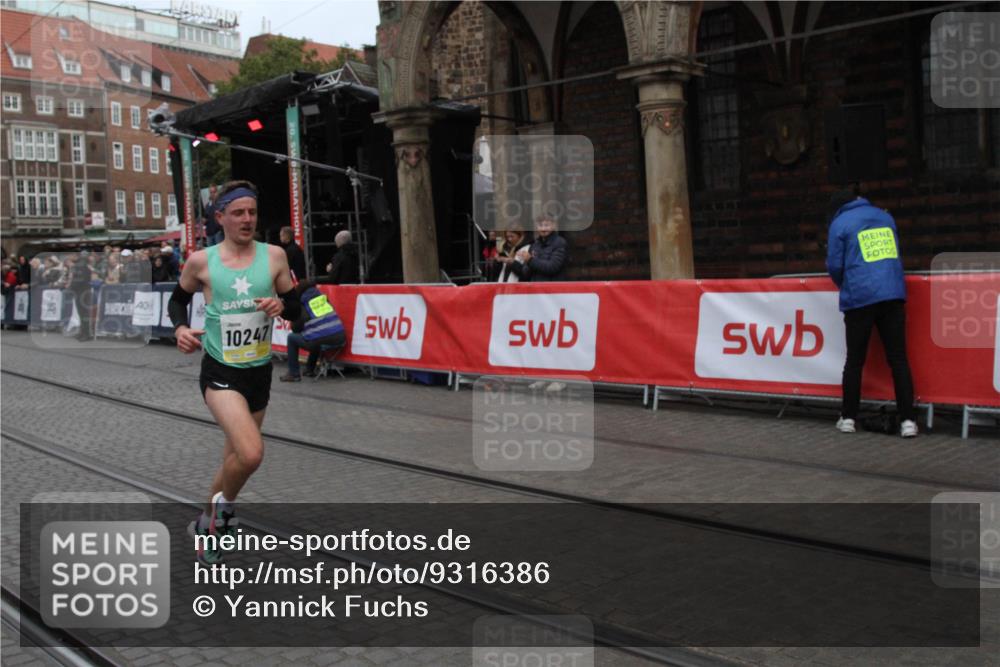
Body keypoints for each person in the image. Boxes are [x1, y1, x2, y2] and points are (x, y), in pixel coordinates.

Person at [168, 180, 299, 564]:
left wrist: (281, 308)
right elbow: (178, 302)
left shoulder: (274, 256)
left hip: (258, 373)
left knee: (234, 461)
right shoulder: (201, 261)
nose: (246, 219)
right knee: (251, 453)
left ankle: (206, 519)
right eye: (238, 213)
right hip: (220, 371)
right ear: (220, 216)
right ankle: (221, 521)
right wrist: (179, 329)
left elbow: (297, 309)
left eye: (252, 212)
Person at [826, 189, 917, 438]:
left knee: (855, 360)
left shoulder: (839, 223)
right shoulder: (885, 217)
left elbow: (834, 265)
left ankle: (848, 418)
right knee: (898, 359)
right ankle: (908, 420)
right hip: (893, 294)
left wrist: (846, 284)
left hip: (860, 297)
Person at [279, 279, 347, 381]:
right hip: (340, 337)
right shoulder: (323, 299)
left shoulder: (302, 304)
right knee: (314, 335)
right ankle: (309, 369)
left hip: (321, 340)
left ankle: (294, 373)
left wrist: (293, 317)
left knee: (292, 338)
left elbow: (296, 329)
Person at [509, 215, 568, 282]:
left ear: (553, 226)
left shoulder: (559, 242)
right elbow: (526, 273)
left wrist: (530, 260)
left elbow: (552, 267)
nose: (543, 229)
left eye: (546, 225)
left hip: (552, 289)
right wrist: (514, 263)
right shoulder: (535, 245)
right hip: (536, 288)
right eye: (540, 225)